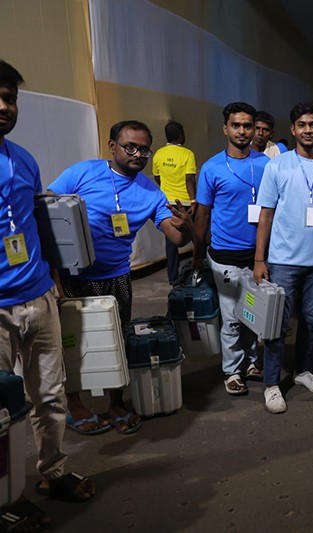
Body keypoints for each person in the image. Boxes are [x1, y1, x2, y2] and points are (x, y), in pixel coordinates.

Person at [49, 120, 192, 435]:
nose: (138, 154)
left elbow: (177, 239)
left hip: (117, 278)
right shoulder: (82, 172)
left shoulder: (151, 192)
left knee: (118, 341)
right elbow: (47, 205)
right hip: (72, 276)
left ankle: (115, 402)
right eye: (131, 147)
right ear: (112, 146)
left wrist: (187, 226)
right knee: (72, 343)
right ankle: (74, 404)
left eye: (144, 149)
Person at [0, 58, 95, 531]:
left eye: (10, 98)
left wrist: (54, 273)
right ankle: (4, 496)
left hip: (38, 295)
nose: (3, 106)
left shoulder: (23, 159)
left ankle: (52, 472)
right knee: (0, 410)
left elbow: (36, 220)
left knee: (50, 395)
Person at [254, 101, 313, 413]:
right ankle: (272, 383)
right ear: (293, 130)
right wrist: (259, 259)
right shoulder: (276, 166)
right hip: (283, 260)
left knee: (309, 320)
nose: (307, 130)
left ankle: (303, 371)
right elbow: (265, 215)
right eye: (301, 125)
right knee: (277, 325)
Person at [192, 102, 270, 396]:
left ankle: (251, 363)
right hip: (224, 255)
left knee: (253, 313)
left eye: (247, 126)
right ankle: (232, 370)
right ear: (225, 128)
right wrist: (198, 254)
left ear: (254, 129)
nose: (242, 131)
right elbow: (203, 214)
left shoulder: (265, 165)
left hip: (258, 255)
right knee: (232, 317)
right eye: (235, 125)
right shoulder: (212, 167)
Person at [152, 120, 197, 283]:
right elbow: (189, 179)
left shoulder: (158, 154)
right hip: (185, 202)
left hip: (167, 203)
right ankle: (200, 268)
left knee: (171, 241)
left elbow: (157, 177)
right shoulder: (187, 154)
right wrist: (193, 200)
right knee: (196, 236)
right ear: (181, 135)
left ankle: (172, 277)